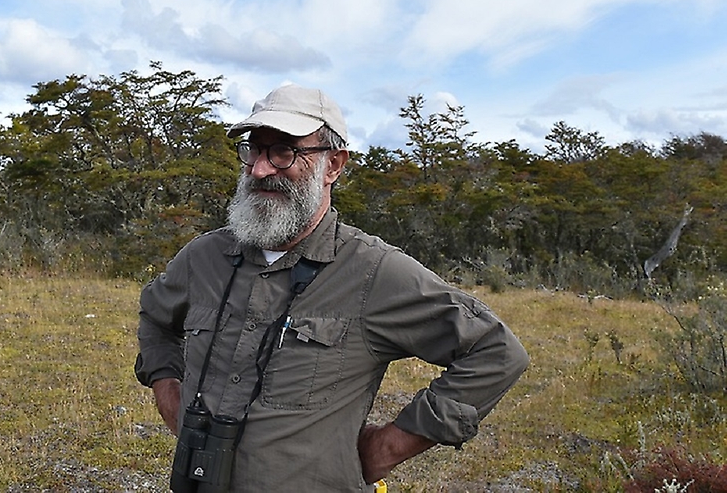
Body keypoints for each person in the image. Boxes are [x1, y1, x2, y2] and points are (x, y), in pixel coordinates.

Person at [135, 84, 529, 492]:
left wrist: (387, 448)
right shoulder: (204, 257)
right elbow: (156, 318)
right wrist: (168, 392)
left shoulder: (373, 271)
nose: (260, 170)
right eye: (253, 150)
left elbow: (497, 352)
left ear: (334, 165)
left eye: (284, 152)